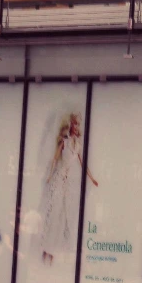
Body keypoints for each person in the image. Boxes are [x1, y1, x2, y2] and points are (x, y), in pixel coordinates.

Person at [41, 113, 98, 265]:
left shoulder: (77, 145)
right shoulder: (64, 142)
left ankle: (52, 250)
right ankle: (46, 247)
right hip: (60, 178)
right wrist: (49, 176)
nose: (76, 127)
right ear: (70, 125)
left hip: (69, 182)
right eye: (74, 124)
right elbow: (55, 159)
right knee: (55, 212)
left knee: (64, 215)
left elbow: (83, 164)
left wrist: (92, 178)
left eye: (77, 124)